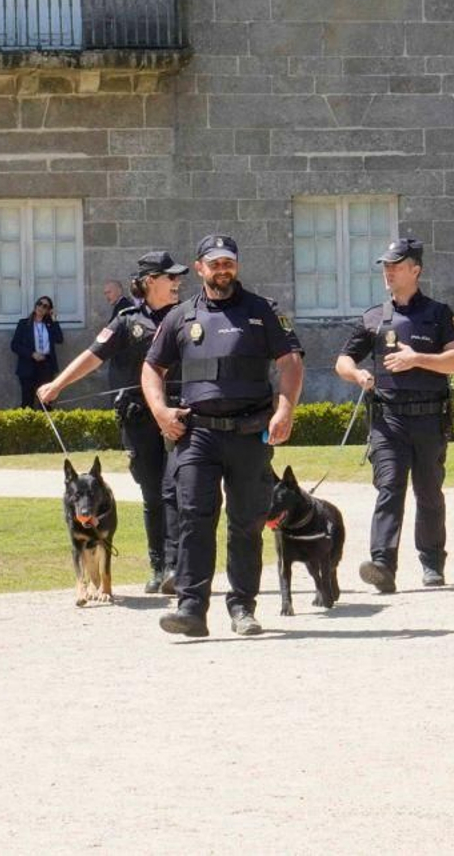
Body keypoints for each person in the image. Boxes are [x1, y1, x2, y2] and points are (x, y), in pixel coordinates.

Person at [142, 234, 304, 638]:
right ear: (199, 268)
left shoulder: (263, 312)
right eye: (214, 263)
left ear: (237, 265)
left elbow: (290, 362)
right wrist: (160, 412)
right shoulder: (179, 317)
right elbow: (151, 370)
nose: (222, 269)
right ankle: (191, 609)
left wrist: (285, 409)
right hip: (197, 436)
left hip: (250, 434)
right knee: (195, 520)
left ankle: (242, 608)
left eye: (228, 262)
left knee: (246, 523)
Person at [40, 252, 187, 593]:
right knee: (153, 492)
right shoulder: (126, 321)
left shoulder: (187, 316)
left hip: (179, 414)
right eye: (171, 278)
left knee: (179, 491)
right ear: (150, 282)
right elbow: (93, 355)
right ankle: (157, 567)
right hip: (139, 418)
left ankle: (177, 566)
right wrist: (58, 384)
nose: (178, 283)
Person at [334, 237, 454, 593]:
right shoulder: (374, 318)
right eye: (385, 266)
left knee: (428, 492)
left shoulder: (439, 314)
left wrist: (418, 359)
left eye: (396, 265)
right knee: (389, 488)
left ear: (416, 270)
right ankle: (382, 565)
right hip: (388, 420)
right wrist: (358, 374)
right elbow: (343, 361)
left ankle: (432, 563)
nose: (389, 271)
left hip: (428, 418)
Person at [10, 296, 64, 408]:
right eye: (39, 304)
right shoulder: (24, 324)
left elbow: (59, 339)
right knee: (27, 401)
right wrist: (32, 354)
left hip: (46, 366)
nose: (41, 307)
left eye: (45, 306)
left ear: (49, 310)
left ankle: (45, 424)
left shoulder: (49, 325)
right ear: (35, 305)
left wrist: (54, 320)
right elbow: (15, 345)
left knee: (46, 402)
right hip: (28, 365)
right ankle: (27, 424)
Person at [103, 278, 134, 392]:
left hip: (124, 362)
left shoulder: (124, 307)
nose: (107, 296)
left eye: (109, 292)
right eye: (105, 293)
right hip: (121, 361)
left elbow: (113, 333)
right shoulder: (120, 306)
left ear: (119, 291)